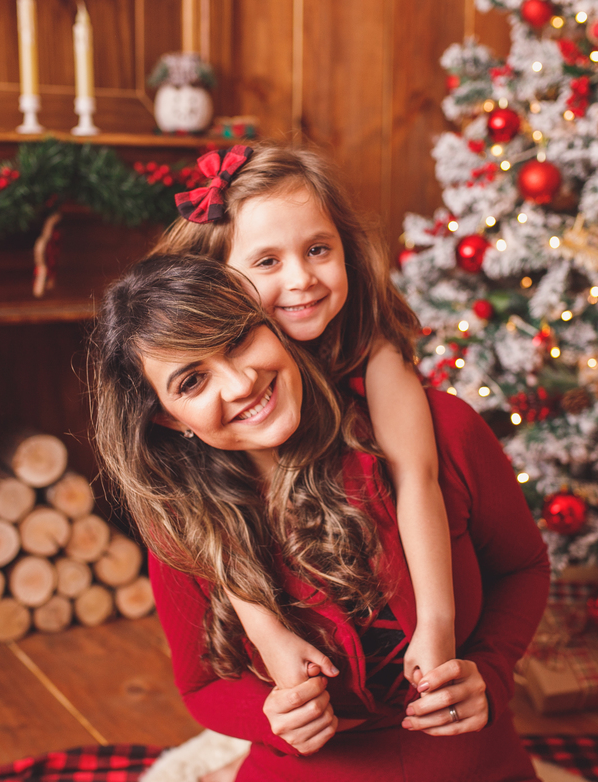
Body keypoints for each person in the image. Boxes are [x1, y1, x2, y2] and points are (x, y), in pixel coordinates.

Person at [92, 254, 557, 782]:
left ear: (272, 325)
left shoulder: (443, 433)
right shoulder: (181, 523)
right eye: (192, 381)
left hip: (478, 774)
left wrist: (492, 669)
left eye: (239, 340)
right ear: (170, 418)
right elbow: (201, 684)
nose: (240, 384)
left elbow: (523, 567)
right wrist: (272, 717)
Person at [155, 143, 458, 699]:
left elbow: (417, 476)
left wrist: (437, 626)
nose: (302, 279)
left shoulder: (372, 348)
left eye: (318, 249)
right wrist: (264, 631)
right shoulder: (221, 395)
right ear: (214, 281)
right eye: (267, 261)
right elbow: (209, 510)